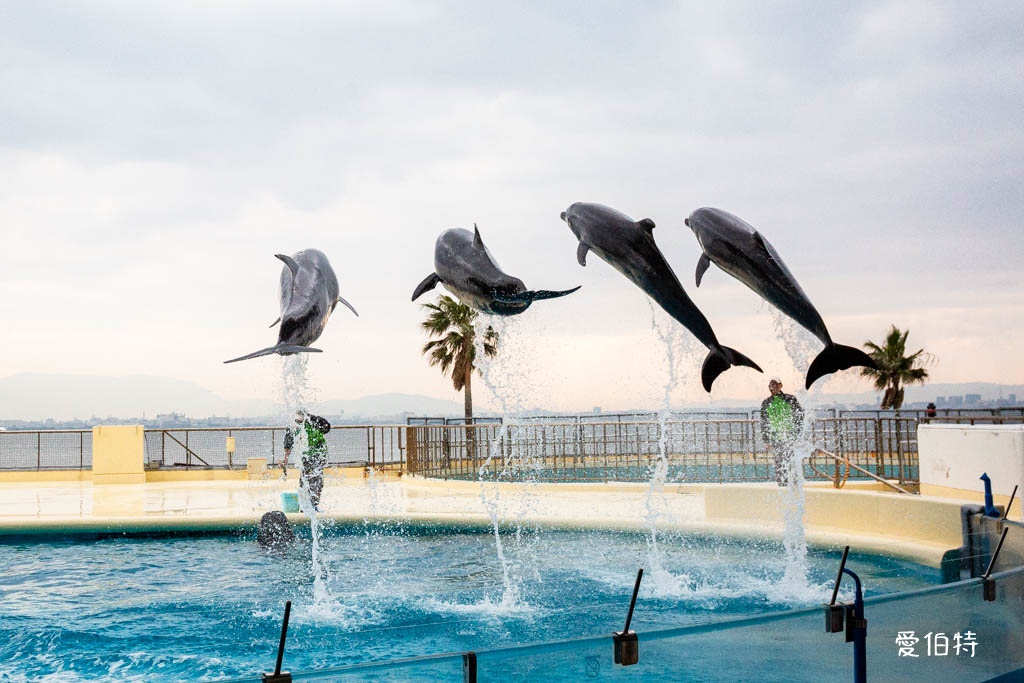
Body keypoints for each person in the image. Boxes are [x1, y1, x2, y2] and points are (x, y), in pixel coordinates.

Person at [283, 409, 331, 511]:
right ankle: (305, 505)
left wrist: (312, 417)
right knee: (305, 479)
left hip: (319, 455)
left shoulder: (314, 421)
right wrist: (285, 460)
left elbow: (327, 428)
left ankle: (314, 504)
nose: (300, 421)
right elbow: (288, 443)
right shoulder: (293, 426)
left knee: (317, 479)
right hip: (305, 456)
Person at [759, 378, 804, 486]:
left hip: (790, 436)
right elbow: (764, 422)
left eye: (775, 385)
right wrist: (766, 440)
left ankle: (795, 482)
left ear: (780, 386)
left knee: (792, 460)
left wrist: (798, 435)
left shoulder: (790, 399)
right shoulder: (766, 402)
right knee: (779, 461)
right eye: (771, 385)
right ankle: (782, 484)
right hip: (775, 438)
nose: (772, 387)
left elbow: (799, 417)